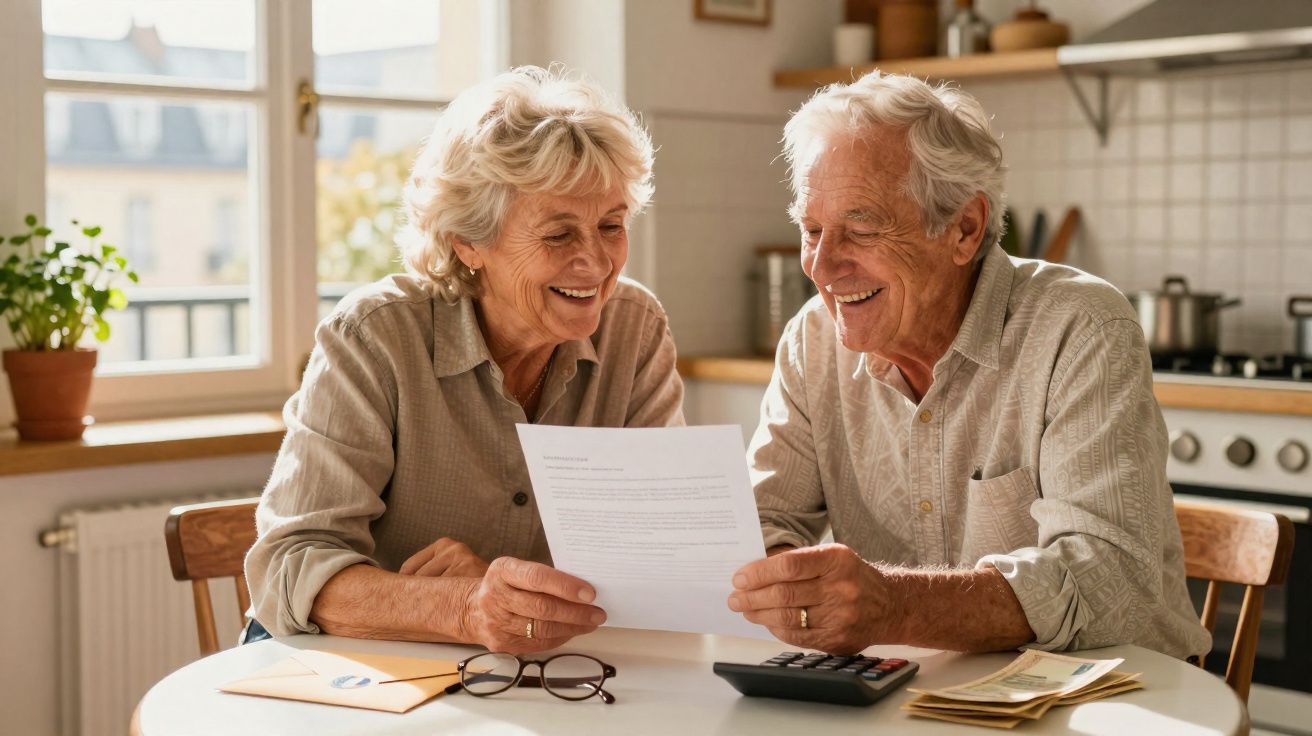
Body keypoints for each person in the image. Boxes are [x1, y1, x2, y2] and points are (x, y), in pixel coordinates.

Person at [726, 71, 1210, 660]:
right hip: (923, 695)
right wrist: (785, 587)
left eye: (861, 228)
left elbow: (1106, 580)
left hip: (1120, 692)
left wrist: (892, 604)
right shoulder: (812, 339)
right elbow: (758, 525)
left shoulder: (1080, 326)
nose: (822, 267)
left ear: (964, 227)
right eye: (812, 230)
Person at [245, 66, 684, 654]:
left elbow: (660, 552)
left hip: (518, 674)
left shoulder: (635, 329)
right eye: (558, 235)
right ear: (467, 241)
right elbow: (291, 564)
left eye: (611, 226)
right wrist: (464, 606)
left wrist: (504, 594)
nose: (596, 262)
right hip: (346, 667)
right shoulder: (374, 337)